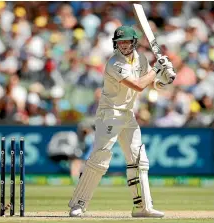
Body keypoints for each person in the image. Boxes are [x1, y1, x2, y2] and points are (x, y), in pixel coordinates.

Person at [68, 26, 176, 218]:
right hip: (110, 113)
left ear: (134, 42)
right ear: (115, 43)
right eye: (120, 42)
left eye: (126, 41)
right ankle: (78, 204)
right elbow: (137, 85)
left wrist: (165, 76)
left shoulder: (141, 59)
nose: (123, 45)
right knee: (99, 159)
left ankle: (142, 207)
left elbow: (151, 82)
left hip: (127, 114)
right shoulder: (114, 63)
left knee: (138, 160)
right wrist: (157, 69)